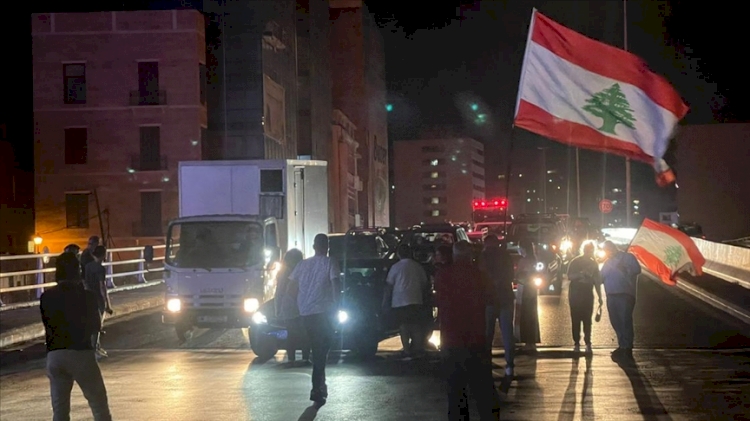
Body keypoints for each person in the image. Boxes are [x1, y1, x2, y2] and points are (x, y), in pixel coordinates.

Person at [41, 251, 112, 421]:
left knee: (60, 410)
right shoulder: (87, 296)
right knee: (99, 405)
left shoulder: (46, 297)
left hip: (55, 355)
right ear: (78, 271)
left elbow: (47, 323)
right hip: (81, 353)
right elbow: (96, 325)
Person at [436, 240, 500, 421]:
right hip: (475, 339)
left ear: (454, 255)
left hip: (451, 339)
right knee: (483, 391)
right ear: (470, 255)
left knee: (456, 393)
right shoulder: (480, 276)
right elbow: (492, 301)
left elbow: (439, 301)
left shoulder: (443, 275)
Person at [289, 234, 341, 406]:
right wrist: (337, 305)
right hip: (324, 312)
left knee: (317, 347)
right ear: (326, 246)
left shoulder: (302, 264)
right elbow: (336, 285)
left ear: (313, 246)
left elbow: (291, 287)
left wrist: (296, 305)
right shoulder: (330, 262)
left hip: (306, 313)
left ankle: (321, 385)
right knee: (322, 349)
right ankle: (316, 387)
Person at [479, 235, 516, 377]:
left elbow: (481, 276)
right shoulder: (506, 256)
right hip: (505, 298)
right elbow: (511, 275)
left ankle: (486, 362)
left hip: (489, 300)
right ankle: (510, 364)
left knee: (487, 334)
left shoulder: (482, 257)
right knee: (507, 333)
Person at [386, 244, 429, 360]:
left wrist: (386, 301)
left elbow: (389, 285)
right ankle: (418, 349)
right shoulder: (417, 266)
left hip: (400, 301)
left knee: (404, 327)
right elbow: (424, 283)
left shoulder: (395, 267)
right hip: (416, 299)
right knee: (416, 326)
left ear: (399, 254)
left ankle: (406, 350)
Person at [600, 240, 641, 360]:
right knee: (615, 320)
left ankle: (627, 346)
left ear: (614, 248)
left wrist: (625, 268)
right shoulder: (607, 263)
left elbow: (637, 270)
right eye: (606, 250)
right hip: (611, 295)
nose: (608, 252)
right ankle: (622, 344)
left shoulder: (628, 258)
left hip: (625, 294)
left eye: (608, 249)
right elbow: (600, 278)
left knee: (624, 320)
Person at [274, 249, 311, 365]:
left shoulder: (283, 273)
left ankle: (291, 358)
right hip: (303, 304)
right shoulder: (304, 271)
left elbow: (279, 292)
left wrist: (277, 308)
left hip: (288, 305)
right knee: (305, 332)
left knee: (291, 333)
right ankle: (305, 357)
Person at [566, 242, 603, 355]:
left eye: (591, 250)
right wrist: (581, 274)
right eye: (587, 249)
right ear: (584, 249)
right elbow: (569, 276)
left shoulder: (594, 264)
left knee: (587, 320)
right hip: (576, 294)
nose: (589, 252)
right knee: (576, 319)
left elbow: (597, 281)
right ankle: (576, 343)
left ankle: (587, 343)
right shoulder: (575, 261)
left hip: (587, 294)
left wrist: (600, 297)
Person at [83, 246, 113, 359]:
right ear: (103, 255)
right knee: (98, 324)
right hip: (98, 297)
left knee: (91, 323)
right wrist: (108, 304)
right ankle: (95, 349)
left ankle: (96, 347)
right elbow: (102, 286)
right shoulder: (100, 269)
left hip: (88, 296)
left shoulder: (88, 266)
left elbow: (85, 282)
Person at [517, 239, 541, 351]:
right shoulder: (534, 259)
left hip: (525, 288)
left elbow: (519, 275)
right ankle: (532, 341)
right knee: (532, 314)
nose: (518, 250)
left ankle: (527, 342)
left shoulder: (524, 260)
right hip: (532, 289)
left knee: (525, 314)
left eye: (520, 247)